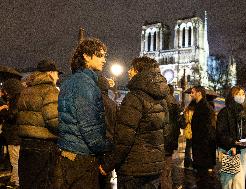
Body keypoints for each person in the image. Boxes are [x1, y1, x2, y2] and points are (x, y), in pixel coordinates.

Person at [101, 56, 169, 189]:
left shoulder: (134, 98)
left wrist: (108, 165)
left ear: (138, 71)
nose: (128, 72)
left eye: (131, 69)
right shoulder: (162, 100)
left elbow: (124, 138)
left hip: (134, 168)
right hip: (154, 167)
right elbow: (166, 132)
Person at [54, 38, 113, 188]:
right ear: (86, 56)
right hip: (82, 156)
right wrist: (107, 147)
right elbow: (90, 127)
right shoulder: (86, 84)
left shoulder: (69, 81)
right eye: (100, 55)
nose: (104, 60)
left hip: (68, 151)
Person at [17, 59, 60, 189]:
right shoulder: (50, 90)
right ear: (51, 73)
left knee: (28, 182)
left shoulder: (26, 90)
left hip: (25, 145)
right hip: (44, 147)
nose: (58, 77)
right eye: (58, 74)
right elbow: (54, 120)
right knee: (44, 183)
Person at [216, 86, 246, 189]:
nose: (241, 96)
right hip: (228, 150)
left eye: (243, 94)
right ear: (232, 95)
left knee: (240, 180)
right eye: (238, 94)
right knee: (227, 180)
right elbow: (220, 133)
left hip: (243, 150)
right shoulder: (224, 112)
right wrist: (232, 142)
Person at [190, 85, 217, 189]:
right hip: (200, 147)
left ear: (199, 93)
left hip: (202, 148)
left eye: (193, 92)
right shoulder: (200, 106)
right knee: (202, 175)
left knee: (203, 176)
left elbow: (206, 130)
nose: (191, 94)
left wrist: (203, 148)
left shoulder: (204, 108)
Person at [161, 84, 185, 189]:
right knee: (167, 165)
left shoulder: (161, 102)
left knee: (163, 168)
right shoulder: (177, 104)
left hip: (162, 138)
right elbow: (183, 123)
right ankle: (172, 182)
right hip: (172, 139)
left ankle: (167, 185)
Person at [1, 79, 24, 188]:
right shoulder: (20, 97)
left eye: (5, 90)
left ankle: (16, 181)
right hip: (16, 134)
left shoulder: (15, 99)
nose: (4, 92)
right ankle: (14, 179)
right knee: (15, 159)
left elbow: (12, 115)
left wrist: (3, 110)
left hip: (14, 135)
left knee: (14, 160)